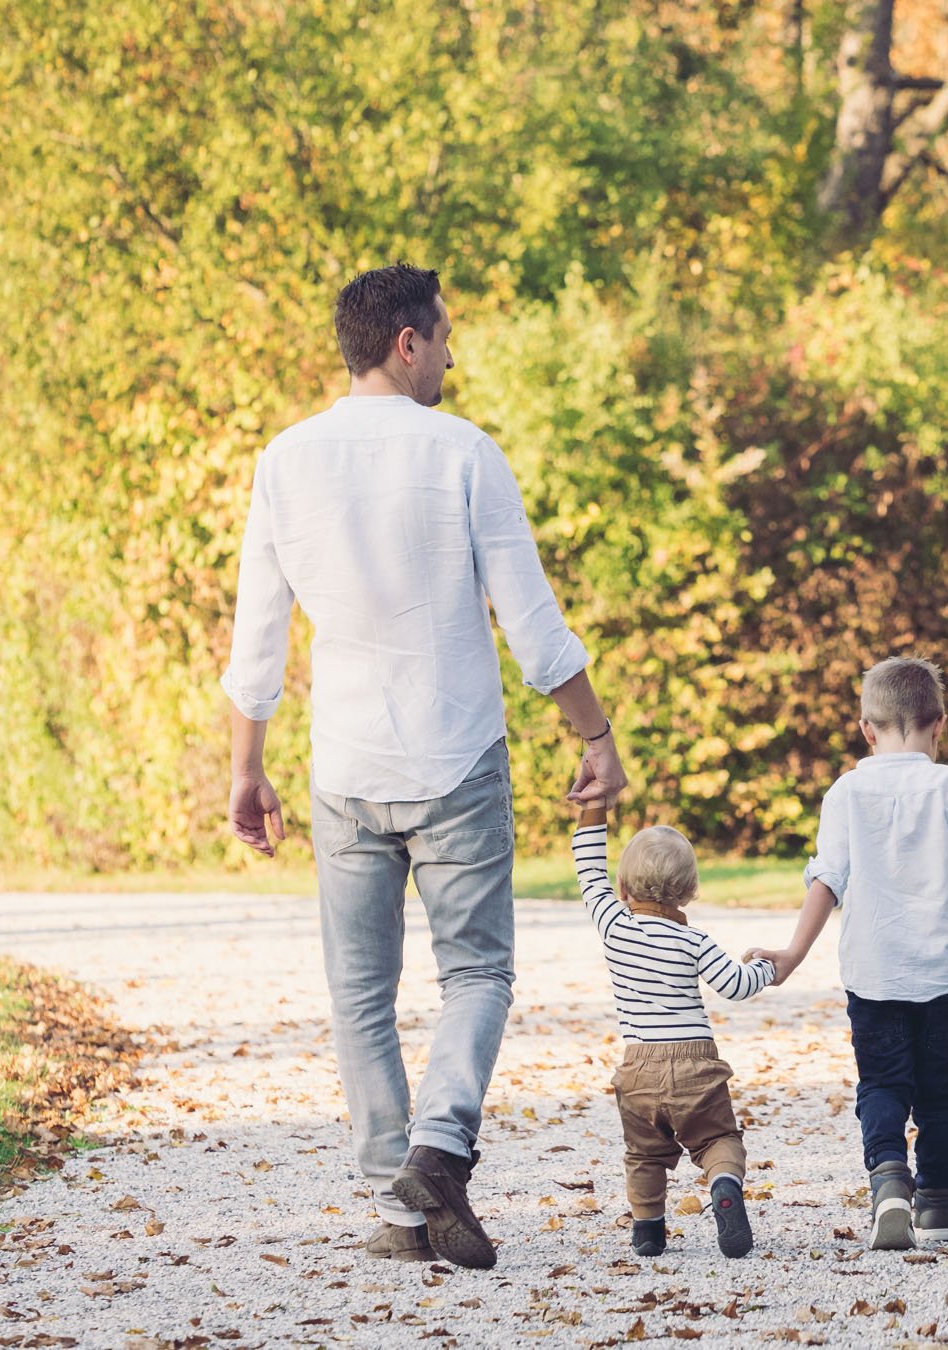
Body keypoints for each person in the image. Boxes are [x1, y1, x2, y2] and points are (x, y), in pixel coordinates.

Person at [220, 263, 627, 1269]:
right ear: (407, 342)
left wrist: (247, 767)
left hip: (346, 767)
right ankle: (438, 1155)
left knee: (359, 989)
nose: (452, 353)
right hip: (454, 760)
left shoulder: (285, 460)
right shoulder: (463, 453)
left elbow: (257, 641)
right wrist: (596, 735)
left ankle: (401, 1211)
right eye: (444, 337)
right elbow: (534, 632)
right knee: (478, 970)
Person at [746, 656, 948, 1250]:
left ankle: (890, 1179)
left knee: (881, 1085)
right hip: (941, 973)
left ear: (867, 729)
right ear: (939, 724)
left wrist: (791, 955)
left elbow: (827, 881)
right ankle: (939, 1204)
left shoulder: (844, 792)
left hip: (872, 972)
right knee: (939, 1087)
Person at [571, 803, 776, 1259]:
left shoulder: (614, 926)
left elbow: (587, 868)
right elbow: (736, 985)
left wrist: (592, 808)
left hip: (639, 1067)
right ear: (689, 893)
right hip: (696, 1066)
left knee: (644, 1155)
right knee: (717, 1138)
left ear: (622, 887)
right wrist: (764, 967)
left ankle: (647, 1229)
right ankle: (723, 1183)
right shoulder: (693, 940)